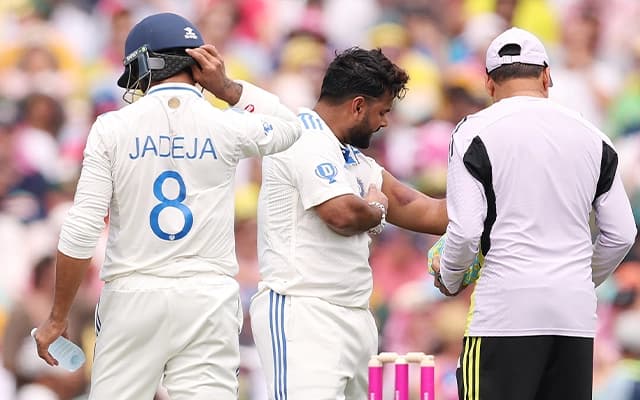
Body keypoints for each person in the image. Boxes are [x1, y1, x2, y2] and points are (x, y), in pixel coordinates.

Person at [32, 12, 302, 400]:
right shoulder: (226, 125)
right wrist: (228, 89)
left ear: (143, 66)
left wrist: (58, 317)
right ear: (199, 64)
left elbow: (81, 230)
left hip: (133, 296)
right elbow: (290, 126)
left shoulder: (113, 128)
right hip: (208, 298)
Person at [431, 27, 637, 400]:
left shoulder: (472, 132)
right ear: (546, 76)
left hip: (504, 313)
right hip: (572, 315)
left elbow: (464, 232)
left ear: (489, 85)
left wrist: (449, 276)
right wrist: (579, 277)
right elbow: (621, 232)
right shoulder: (593, 135)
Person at [249, 47, 448, 399]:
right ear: (357, 105)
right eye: (382, 111)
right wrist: (376, 210)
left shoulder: (357, 161)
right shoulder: (301, 135)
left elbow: (423, 209)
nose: (384, 122)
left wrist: (494, 207)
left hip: (355, 315)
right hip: (304, 312)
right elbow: (341, 214)